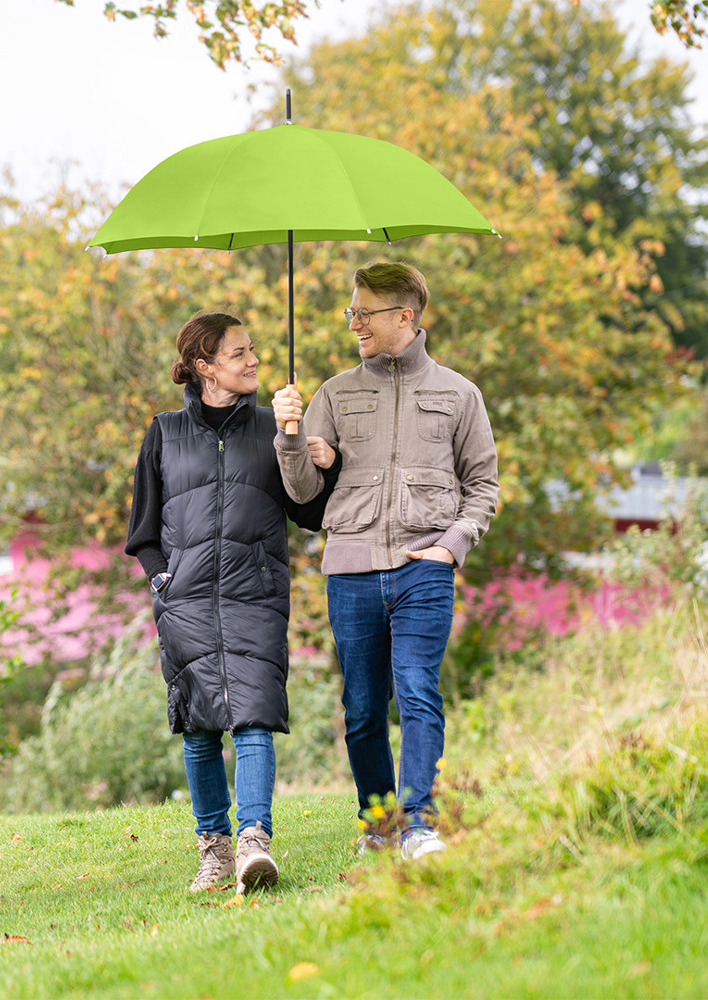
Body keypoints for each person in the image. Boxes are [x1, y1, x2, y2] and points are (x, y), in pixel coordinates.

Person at [271, 261, 499, 861]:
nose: (354, 324)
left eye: (363, 313)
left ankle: (420, 824)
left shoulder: (459, 394)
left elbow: (483, 486)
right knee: (363, 707)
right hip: (350, 568)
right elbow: (299, 492)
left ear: (406, 316)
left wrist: (452, 545)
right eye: (351, 312)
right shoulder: (333, 394)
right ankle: (380, 823)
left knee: (419, 689)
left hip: (425, 564)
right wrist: (293, 437)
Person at [125, 311, 339, 893]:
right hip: (185, 599)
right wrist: (161, 583)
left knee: (254, 718)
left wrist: (312, 452)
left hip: (255, 595)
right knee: (199, 727)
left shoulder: (274, 426)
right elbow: (143, 530)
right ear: (204, 366)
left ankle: (253, 844)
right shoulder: (164, 432)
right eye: (239, 353)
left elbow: (310, 512)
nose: (253, 361)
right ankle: (214, 852)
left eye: (253, 350)